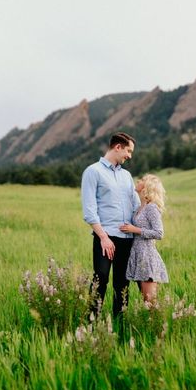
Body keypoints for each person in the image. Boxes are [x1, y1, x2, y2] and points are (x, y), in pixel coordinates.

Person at [81, 132, 140, 318]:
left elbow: (136, 205)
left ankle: (119, 323)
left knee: (122, 283)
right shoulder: (93, 171)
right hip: (104, 237)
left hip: (127, 237)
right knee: (101, 277)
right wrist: (104, 238)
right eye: (128, 151)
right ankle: (92, 322)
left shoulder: (127, 176)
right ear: (118, 147)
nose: (129, 156)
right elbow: (89, 210)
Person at [120, 174, 169, 303]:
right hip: (138, 255)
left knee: (150, 302)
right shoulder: (140, 207)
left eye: (142, 180)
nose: (138, 181)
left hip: (147, 257)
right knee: (146, 301)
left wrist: (135, 230)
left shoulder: (152, 208)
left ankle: (158, 324)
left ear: (147, 187)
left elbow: (159, 233)